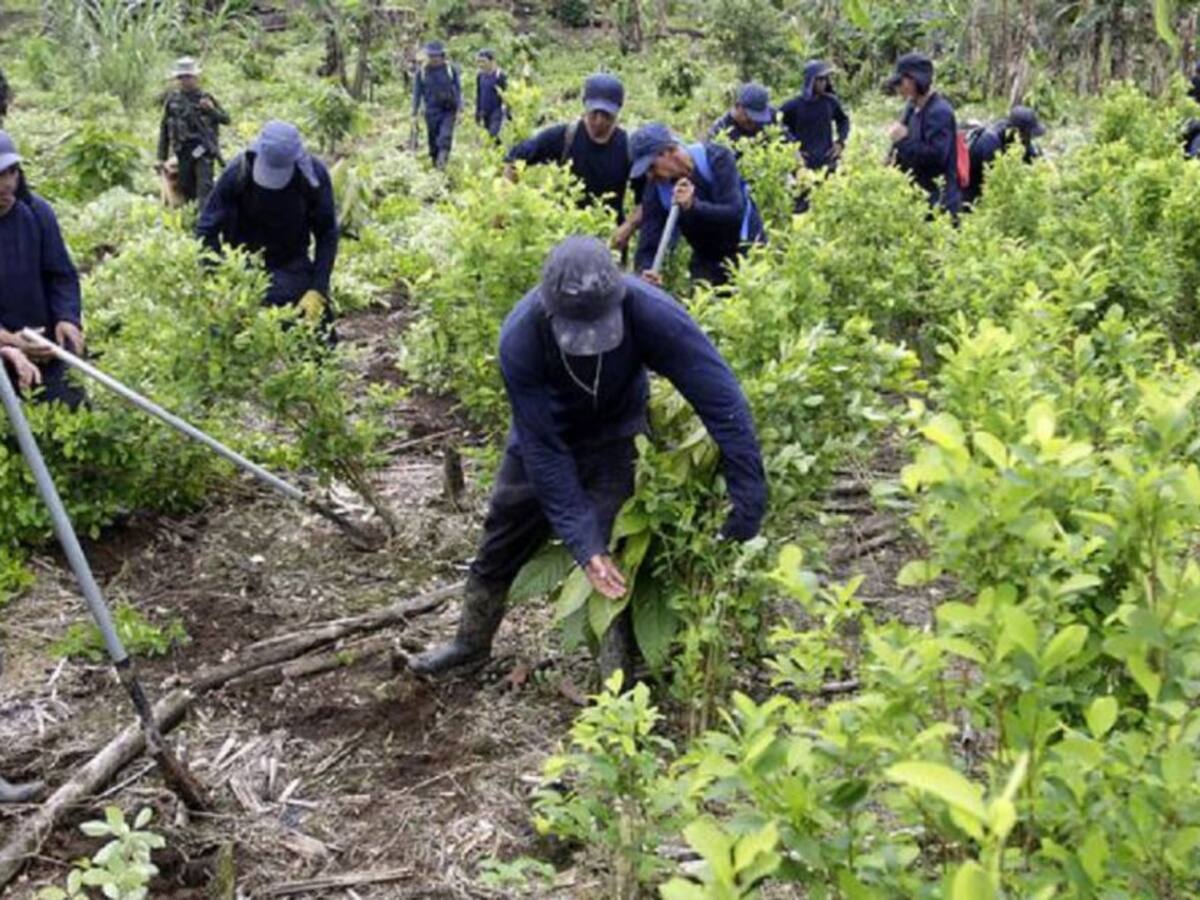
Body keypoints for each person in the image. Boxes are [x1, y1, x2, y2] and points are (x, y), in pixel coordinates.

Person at [410, 236, 766, 679]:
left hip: (617, 432)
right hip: (544, 435)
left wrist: (749, 489)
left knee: (614, 544)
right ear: (550, 307)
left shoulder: (652, 312)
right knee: (503, 534)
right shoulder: (521, 335)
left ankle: (618, 674)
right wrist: (582, 543)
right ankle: (470, 644)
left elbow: (720, 398)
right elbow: (544, 449)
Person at [196, 121, 339, 332]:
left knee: (319, 333)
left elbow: (327, 232)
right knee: (222, 332)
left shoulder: (313, 176)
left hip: (291, 263)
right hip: (242, 265)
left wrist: (318, 288)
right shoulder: (237, 172)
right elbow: (206, 230)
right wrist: (215, 283)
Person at [505, 74, 643, 253]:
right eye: (594, 113)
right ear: (585, 105)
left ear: (617, 112)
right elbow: (513, 162)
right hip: (566, 235)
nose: (599, 121)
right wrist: (505, 204)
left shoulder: (627, 147)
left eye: (607, 115)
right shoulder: (563, 136)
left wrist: (628, 227)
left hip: (608, 240)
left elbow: (646, 199)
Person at [0, 132, 85, 407]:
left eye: (10, 173)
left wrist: (67, 317)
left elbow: (61, 275)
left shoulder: (37, 213)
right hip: (5, 352)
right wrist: (11, 343)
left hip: (45, 347)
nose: (5, 185)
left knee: (70, 416)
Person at [630, 122, 766, 287]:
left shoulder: (717, 158)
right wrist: (645, 270)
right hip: (707, 255)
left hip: (746, 245)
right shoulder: (656, 188)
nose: (650, 175)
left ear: (668, 152)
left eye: (651, 167)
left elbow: (733, 214)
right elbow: (649, 242)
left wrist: (693, 206)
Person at [885, 52, 961, 215]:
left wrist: (903, 140)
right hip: (917, 197)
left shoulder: (940, 112)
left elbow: (936, 158)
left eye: (901, 82)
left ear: (914, 80)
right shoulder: (912, 107)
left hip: (938, 202)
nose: (898, 88)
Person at [156, 57, 230, 209]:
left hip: (203, 151)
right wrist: (161, 157)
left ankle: (205, 225)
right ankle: (191, 220)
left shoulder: (206, 98)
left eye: (188, 77)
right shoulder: (173, 101)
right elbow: (164, 129)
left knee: (204, 188)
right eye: (181, 77)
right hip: (183, 152)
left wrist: (211, 110)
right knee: (187, 188)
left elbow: (226, 119)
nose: (185, 81)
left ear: (196, 77)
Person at [963, 105, 1045, 206]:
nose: (1029, 139)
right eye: (1028, 135)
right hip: (971, 187)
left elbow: (1035, 161)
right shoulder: (990, 142)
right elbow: (995, 183)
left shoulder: (1020, 139)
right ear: (1019, 132)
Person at [779, 60, 850, 172]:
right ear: (810, 81)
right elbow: (777, 123)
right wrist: (792, 147)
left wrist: (840, 142)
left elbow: (843, 120)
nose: (824, 83)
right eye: (820, 79)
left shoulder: (830, 102)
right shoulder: (794, 105)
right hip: (803, 163)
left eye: (825, 79)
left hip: (827, 160)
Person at [412, 41, 462, 169]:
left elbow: (458, 89)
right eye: (431, 56)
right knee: (433, 140)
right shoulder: (421, 72)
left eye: (436, 56)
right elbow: (417, 93)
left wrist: (460, 109)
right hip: (431, 111)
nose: (433, 59)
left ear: (442, 56)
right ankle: (436, 165)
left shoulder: (451, 69)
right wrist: (414, 113)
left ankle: (442, 160)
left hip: (448, 109)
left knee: (445, 136)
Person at [707, 83, 777, 153]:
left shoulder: (771, 115)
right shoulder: (719, 132)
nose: (754, 122)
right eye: (750, 117)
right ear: (737, 106)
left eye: (760, 117)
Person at [474, 49, 508, 142]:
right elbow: (479, 94)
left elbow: (506, 95)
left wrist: (508, 113)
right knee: (488, 136)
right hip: (485, 112)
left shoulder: (500, 76)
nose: (481, 64)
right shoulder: (480, 76)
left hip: (497, 111)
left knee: (494, 134)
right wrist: (477, 113)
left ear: (492, 61)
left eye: (483, 61)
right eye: (479, 62)